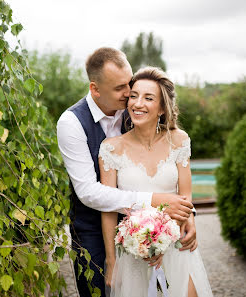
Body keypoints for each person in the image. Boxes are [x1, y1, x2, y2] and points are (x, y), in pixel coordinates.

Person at [57, 48, 197, 297]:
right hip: (93, 228)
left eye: (129, 83)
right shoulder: (72, 123)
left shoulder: (135, 108)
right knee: (99, 290)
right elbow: (89, 192)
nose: (130, 95)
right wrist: (153, 201)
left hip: (157, 229)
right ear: (95, 89)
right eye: (121, 88)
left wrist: (187, 215)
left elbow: (175, 175)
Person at [99, 66, 213, 297]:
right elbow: (108, 208)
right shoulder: (111, 148)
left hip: (176, 245)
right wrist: (111, 262)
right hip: (133, 252)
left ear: (162, 108)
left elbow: (186, 195)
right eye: (134, 95)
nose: (137, 103)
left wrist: (183, 223)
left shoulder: (179, 141)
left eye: (148, 98)